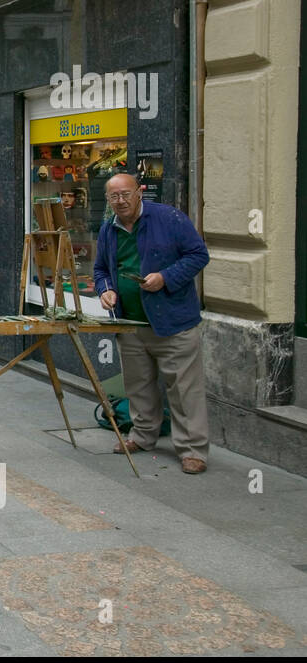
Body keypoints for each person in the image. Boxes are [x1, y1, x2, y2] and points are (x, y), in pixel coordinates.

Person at [94, 173, 211, 475]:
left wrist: (165, 278)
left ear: (139, 192)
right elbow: (101, 269)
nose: (120, 201)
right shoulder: (109, 228)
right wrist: (105, 290)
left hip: (173, 322)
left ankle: (192, 449)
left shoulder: (169, 218)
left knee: (184, 389)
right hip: (130, 322)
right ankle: (143, 436)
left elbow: (199, 255)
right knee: (138, 386)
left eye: (126, 194)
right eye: (114, 197)